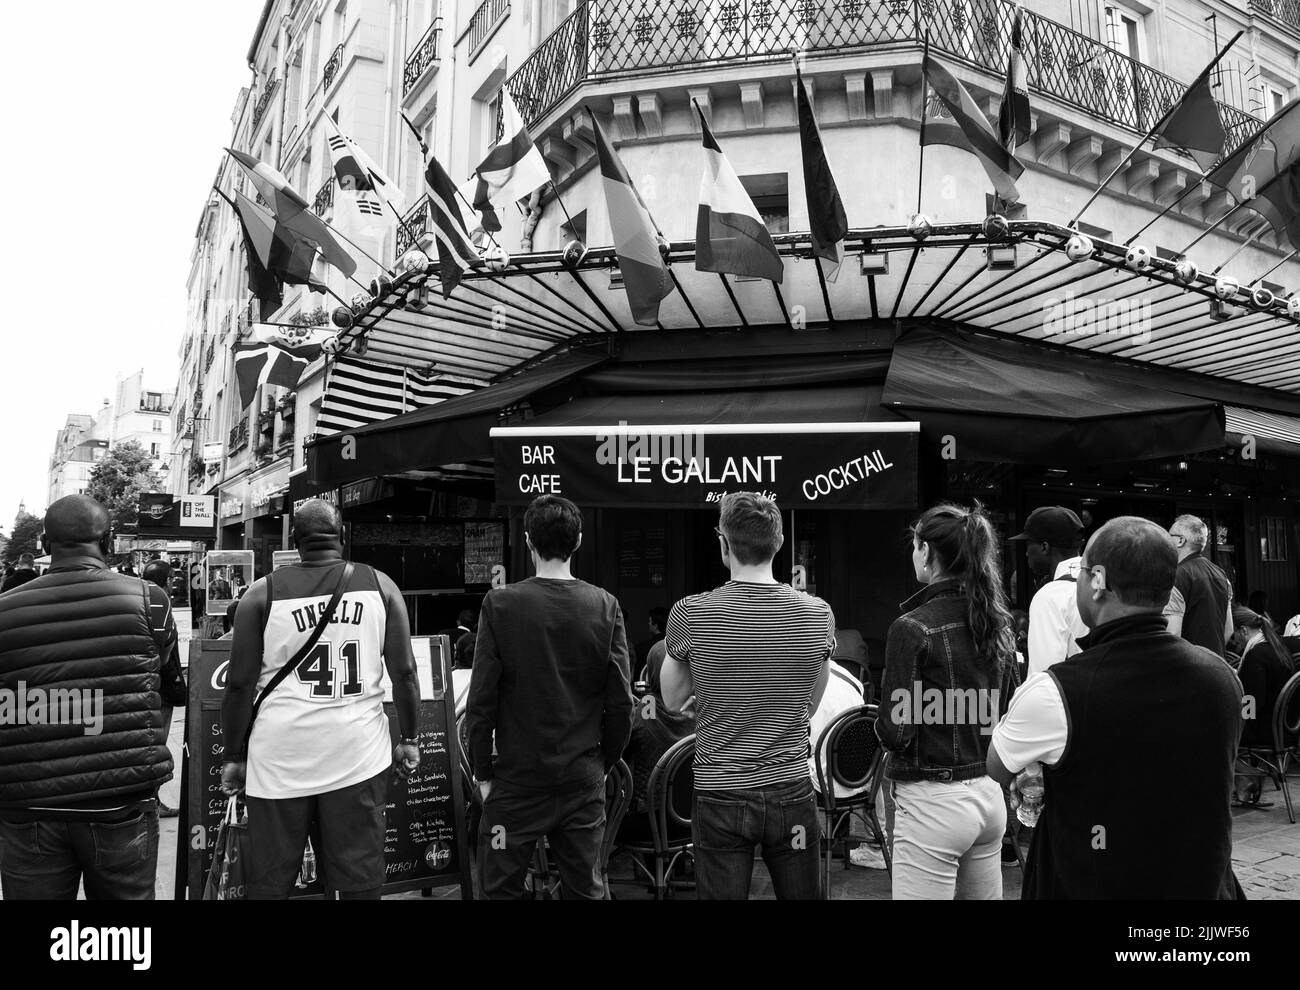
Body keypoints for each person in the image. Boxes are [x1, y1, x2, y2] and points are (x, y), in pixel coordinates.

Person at [987, 517, 1244, 899]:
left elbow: (997, 766)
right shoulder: (1222, 677)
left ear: (1097, 581)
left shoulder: (1055, 690)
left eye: (1082, 572)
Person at [220, 499, 421, 900]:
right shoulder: (380, 586)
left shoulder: (262, 593)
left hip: (280, 759)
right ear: (342, 537)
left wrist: (234, 756)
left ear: (295, 540)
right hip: (358, 755)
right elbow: (405, 673)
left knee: (269, 882)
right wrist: (410, 739)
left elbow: (239, 685)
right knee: (359, 879)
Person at [0, 495, 176, 899]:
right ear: (109, 541)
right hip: (120, 801)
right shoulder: (151, 601)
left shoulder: (4, 611)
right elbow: (159, 670)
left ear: (45, 544)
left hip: (29, 805)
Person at [661, 492, 833, 900]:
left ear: (724, 544)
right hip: (790, 790)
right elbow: (809, 703)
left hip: (720, 794)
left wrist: (715, 690)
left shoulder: (691, 612)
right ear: (778, 543)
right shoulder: (816, 614)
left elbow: (670, 700)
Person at [468, 495, 633, 900]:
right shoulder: (605, 606)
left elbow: (482, 699)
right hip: (581, 779)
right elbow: (622, 703)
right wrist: (603, 763)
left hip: (515, 782)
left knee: (500, 888)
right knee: (584, 889)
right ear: (578, 541)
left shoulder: (500, 604)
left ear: (527, 541)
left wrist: (482, 773)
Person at [876, 502, 1019, 900]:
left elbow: (896, 732)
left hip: (932, 801)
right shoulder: (997, 621)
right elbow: (1006, 713)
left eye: (915, 545)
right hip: (989, 798)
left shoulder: (912, 627)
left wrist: (878, 722)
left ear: (927, 552)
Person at [1010, 506, 1089, 676]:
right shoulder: (1101, 583)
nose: (1025, 553)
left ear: (1044, 547)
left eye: (1028, 545)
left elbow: (1043, 679)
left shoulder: (1050, 596)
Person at [141, 559, 188, 819]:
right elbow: (167, 651)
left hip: (139, 686)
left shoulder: (135, 598)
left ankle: (149, 799)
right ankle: (153, 800)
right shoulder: (161, 601)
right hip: (160, 689)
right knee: (156, 744)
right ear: (167, 581)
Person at [1165, 514, 1233, 657]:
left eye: (1169, 535)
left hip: (1187, 668)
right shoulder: (1222, 575)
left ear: (1180, 541)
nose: (1166, 540)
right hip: (1216, 665)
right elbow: (1228, 630)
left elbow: (1172, 634)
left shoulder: (1177, 577)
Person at [634, 607, 669, 680]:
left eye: (649, 621)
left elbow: (638, 676)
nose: (648, 624)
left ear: (655, 626)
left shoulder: (641, 647)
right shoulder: (677, 646)